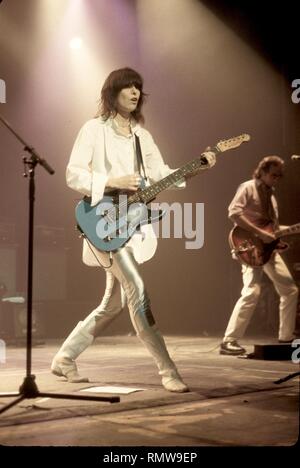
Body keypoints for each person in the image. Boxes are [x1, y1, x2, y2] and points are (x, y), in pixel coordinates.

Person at [51, 67, 216, 391]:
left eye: (138, 87)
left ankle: (64, 358)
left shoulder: (142, 136)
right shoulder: (93, 129)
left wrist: (198, 168)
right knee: (138, 290)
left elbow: (161, 174)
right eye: (127, 86)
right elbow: (73, 174)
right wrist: (111, 180)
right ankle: (168, 370)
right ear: (112, 92)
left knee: (113, 304)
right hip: (101, 219)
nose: (134, 91)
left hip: (130, 224)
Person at [220, 156, 298, 355]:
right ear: (262, 171)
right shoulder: (248, 187)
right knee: (252, 292)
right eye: (273, 175)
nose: (277, 179)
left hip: (268, 251)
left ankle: (286, 336)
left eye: (280, 176)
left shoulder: (271, 197)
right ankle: (229, 341)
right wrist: (261, 234)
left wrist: (279, 238)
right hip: (249, 246)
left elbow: (273, 229)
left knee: (290, 290)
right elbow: (233, 212)